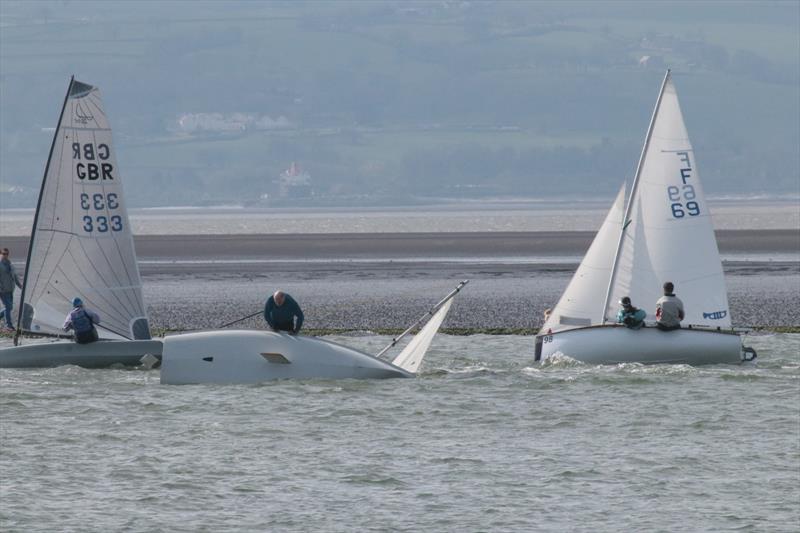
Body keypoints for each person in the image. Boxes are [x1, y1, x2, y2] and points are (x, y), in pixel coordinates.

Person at [0, 248, 23, 331]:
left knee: (9, 308)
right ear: (1, 253)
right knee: (8, 306)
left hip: (10, 289)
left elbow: (15, 276)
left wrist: (20, 286)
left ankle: (7, 324)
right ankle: (8, 326)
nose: (5, 255)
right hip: (2, 290)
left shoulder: (10, 264)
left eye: (7, 254)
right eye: (4, 253)